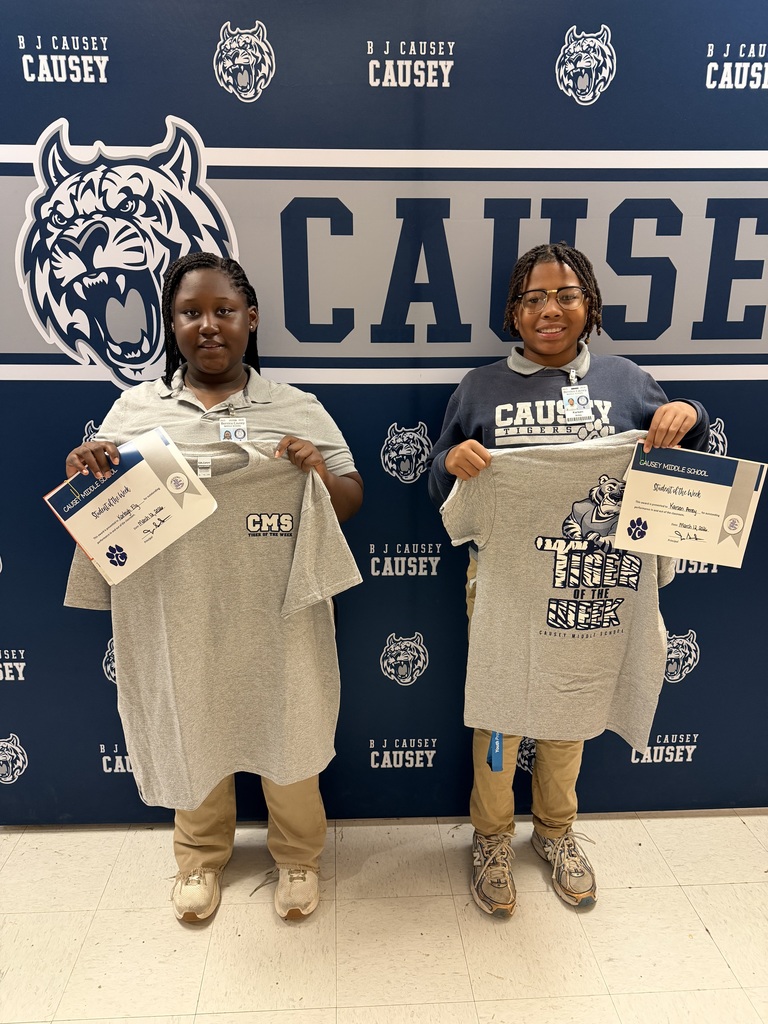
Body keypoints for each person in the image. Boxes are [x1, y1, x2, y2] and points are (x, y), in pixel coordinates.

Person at [64, 252, 364, 924]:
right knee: (190, 722)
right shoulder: (136, 408)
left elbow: (348, 498)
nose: (208, 325)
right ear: (171, 325)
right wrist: (89, 474)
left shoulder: (295, 407)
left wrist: (314, 469)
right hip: (179, 611)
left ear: (249, 319)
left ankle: (297, 856)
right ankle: (198, 858)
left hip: (279, 611)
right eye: (191, 313)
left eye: (223, 311)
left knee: (289, 722)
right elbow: (100, 516)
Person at [427, 242, 709, 917]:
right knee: (501, 707)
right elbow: (440, 480)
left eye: (565, 295)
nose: (550, 309)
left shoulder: (628, 381)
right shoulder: (480, 388)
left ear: (590, 308)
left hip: (597, 582)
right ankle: (492, 837)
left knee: (572, 704)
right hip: (508, 582)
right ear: (514, 313)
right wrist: (454, 461)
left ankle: (556, 831)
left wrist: (688, 415)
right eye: (534, 298)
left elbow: (681, 473)